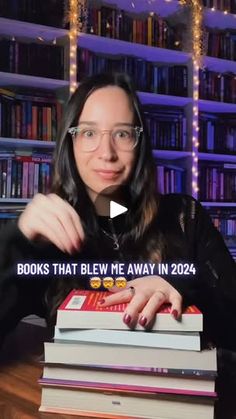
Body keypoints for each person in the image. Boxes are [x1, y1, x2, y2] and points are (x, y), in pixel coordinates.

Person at [0, 72, 235, 349]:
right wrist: (18, 238)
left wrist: (180, 286)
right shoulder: (49, 234)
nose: (107, 153)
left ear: (140, 145)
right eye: (88, 132)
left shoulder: (185, 217)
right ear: (70, 144)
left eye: (122, 133)